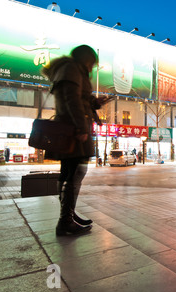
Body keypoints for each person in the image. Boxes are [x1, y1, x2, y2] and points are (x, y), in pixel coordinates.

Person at [42, 45, 109, 236]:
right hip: (73, 130)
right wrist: (80, 127)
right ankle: (65, 220)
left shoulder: (70, 69)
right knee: (75, 173)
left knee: (70, 173)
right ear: (86, 60)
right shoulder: (71, 69)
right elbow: (71, 100)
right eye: (92, 64)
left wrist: (94, 103)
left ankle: (68, 214)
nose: (92, 68)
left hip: (72, 127)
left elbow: (79, 99)